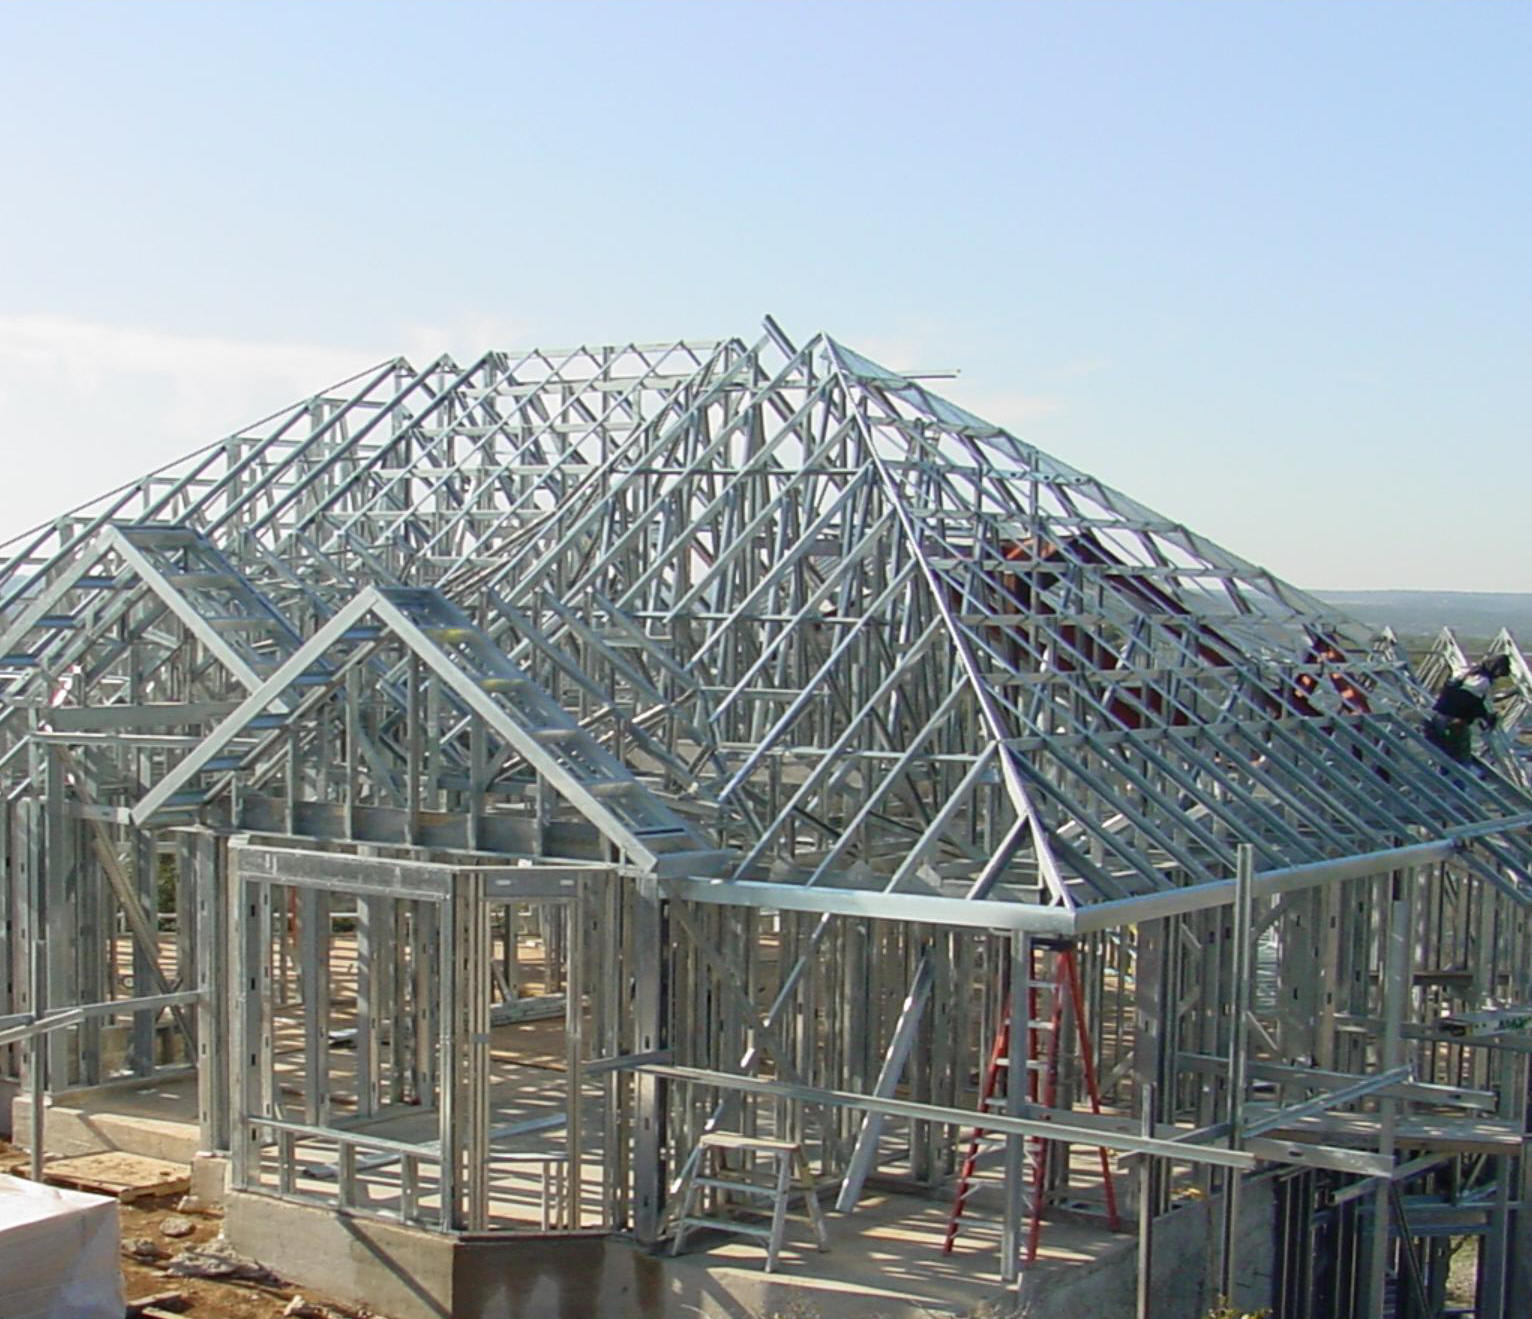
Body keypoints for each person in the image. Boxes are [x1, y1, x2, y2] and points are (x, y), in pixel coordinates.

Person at [1423, 654, 1512, 763]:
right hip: (1453, 719)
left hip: (1440, 713)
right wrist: (1486, 716)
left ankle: (1444, 773)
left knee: (1443, 752)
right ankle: (1454, 777)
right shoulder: (1482, 681)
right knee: (1459, 756)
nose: (1498, 676)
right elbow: (1470, 702)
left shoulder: (1468, 672)